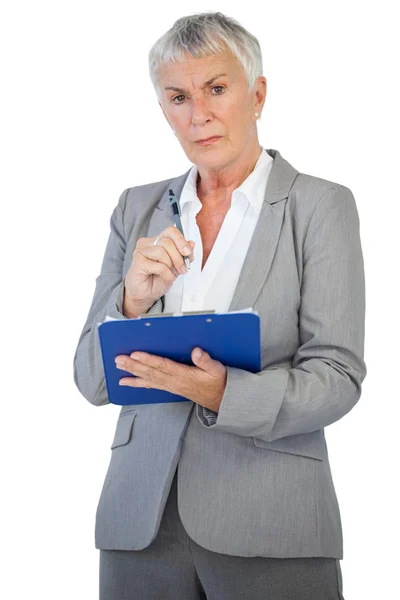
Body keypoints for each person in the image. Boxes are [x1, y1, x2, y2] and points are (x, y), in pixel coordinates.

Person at [73, 11, 366, 600]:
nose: (198, 114)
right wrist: (131, 301)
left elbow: (338, 376)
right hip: (140, 525)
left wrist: (222, 393)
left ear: (257, 94)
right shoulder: (136, 209)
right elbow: (90, 380)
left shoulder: (319, 206)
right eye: (178, 96)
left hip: (271, 521)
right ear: (162, 109)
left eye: (216, 88)